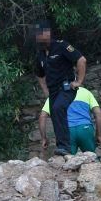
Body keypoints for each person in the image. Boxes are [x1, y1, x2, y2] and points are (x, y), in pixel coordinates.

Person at [34, 20, 87, 156]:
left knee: (58, 108)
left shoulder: (61, 46)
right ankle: (62, 147)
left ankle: (66, 147)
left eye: (42, 33)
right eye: (37, 34)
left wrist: (79, 81)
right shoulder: (40, 55)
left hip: (66, 88)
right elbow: (40, 75)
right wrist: (45, 90)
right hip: (52, 91)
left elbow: (81, 60)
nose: (40, 36)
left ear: (48, 33)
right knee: (55, 113)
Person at [40, 86, 101, 155]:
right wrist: (98, 135)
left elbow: (43, 116)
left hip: (67, 131)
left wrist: (43, 138)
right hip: (85, 129)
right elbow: (98, 113)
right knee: (92, 159)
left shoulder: (55, 95)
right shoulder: (86, 92)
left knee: (68, 160)